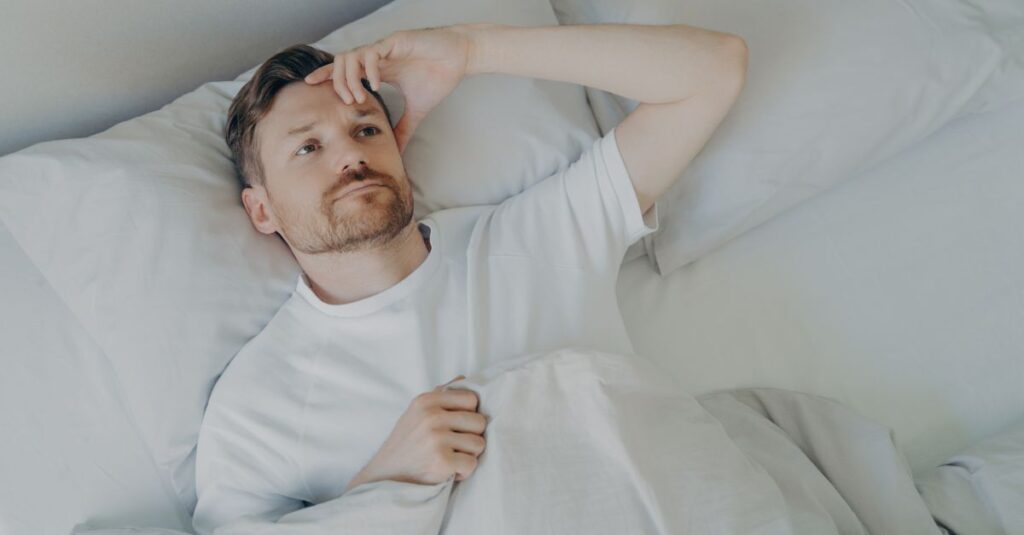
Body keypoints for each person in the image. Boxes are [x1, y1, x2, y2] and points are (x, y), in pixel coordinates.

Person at [192, 21, 747, 534]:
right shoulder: (258, 405)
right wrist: (384, 484)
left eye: (365, 128)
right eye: (308, 147)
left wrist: (470, 49)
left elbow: (715, 68)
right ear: (261, 210)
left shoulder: (533, 236)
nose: (350, 157)